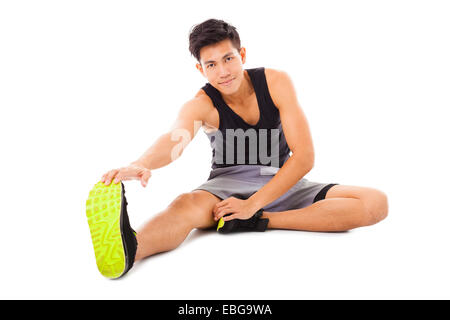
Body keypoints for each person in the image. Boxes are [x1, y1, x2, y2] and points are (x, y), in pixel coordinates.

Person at [86, 18, 389, 279]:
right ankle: (130, 251)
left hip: (283, 182)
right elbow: (174, 140)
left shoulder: (276, 82)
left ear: (242, 54)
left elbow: (305, 157)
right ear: (201, 69)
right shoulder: (201, 104)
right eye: (211, 64)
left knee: (375, 203)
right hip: (225, 190)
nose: (223, 71)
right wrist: (142, 163)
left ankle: (261, 220)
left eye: (228, 58)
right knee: (184, 204)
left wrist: (253, 206)